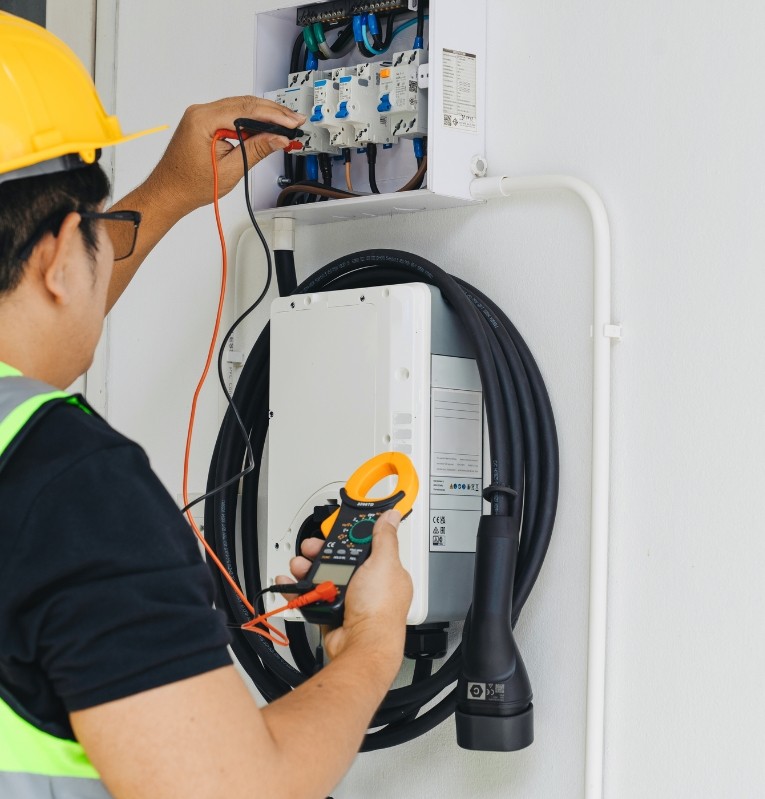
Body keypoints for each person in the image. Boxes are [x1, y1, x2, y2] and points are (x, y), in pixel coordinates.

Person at [0, 12, 412, 799]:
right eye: (92, 228)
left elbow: (30, 326)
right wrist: (369, 642)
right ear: (57, 256)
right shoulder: (69, 488)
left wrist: (172, 192)